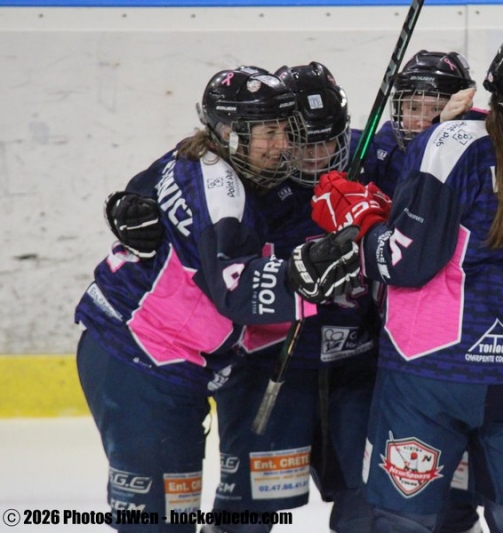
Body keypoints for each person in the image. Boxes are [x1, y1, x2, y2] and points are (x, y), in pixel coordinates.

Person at [311, 25, 503, 533]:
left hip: (433, 366)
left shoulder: (449, 141)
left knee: (400, 519)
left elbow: (406, 262)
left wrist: (360, 226)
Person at [77, 65, 360, 533]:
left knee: (169, 521)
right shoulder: (221, 189)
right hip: (140, 357)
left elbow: (141, 189)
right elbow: (236, 289)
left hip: (157, 359)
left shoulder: (199, 153)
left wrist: (124, 204)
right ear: (230, 133)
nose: (283, 146)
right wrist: (300, 276)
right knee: (157, 525)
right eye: (268, 133)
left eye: (285, 132)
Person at [360, 50, 476, 196]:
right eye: (413, 108)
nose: (421, 122)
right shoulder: (384, 142)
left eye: (437, 108)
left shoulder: (472, 158)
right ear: (399, 107)